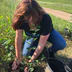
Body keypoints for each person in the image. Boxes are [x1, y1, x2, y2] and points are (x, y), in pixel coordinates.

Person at [11, 0, 66, 71]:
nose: (30, 21)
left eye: (33, 18)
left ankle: (50, 50)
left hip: (47, 33)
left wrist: (31, 62)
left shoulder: (45, 18)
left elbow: (41, 44)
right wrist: (18, 57)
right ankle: (34, 47)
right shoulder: (21, 19)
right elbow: (18, 38)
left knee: (61, 44)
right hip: (33, 36)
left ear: (37, 13)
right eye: (26, 19)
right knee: (26, 55)